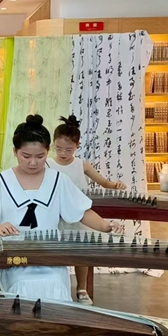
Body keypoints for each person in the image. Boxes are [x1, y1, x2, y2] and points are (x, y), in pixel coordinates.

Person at [0, 114, 121, 336]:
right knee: (25, 288)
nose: (33, 162)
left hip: (49, 256)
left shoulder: (58, 180)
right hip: (13, 258)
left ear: (47, 152)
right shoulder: (1, 181)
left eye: (40, 156)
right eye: (26, 156)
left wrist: (106, 226)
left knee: (56, 289)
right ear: (15, 151)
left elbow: (81, 212)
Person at [48, 115, 127, 305]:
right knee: (54, 253)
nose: (63, 153)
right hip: (55, 217)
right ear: (52, 145)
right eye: (58, 148)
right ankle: (57, 287)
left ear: (77, 146)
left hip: (79, 216)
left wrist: (115, 185)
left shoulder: (81, 164)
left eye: (68, 149)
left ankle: (81, 289)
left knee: (81, 252)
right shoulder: (48, 164)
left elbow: (103, 182)